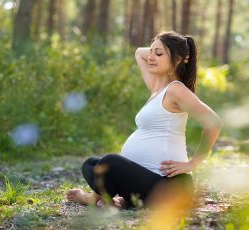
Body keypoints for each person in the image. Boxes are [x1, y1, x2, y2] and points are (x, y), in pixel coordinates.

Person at [67, 31, 222, 209]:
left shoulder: (176, 90)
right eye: (152, 52)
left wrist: (193, 163)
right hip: (148, 183)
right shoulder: (157, 89)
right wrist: (162, 47)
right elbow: (139, 53)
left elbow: (213, 122)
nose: (150, 57)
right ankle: (122, 201)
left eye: (159, 54)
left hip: (170, 187)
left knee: (110, 162)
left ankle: (92, 199)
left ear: (178, 59)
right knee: (92, 164)